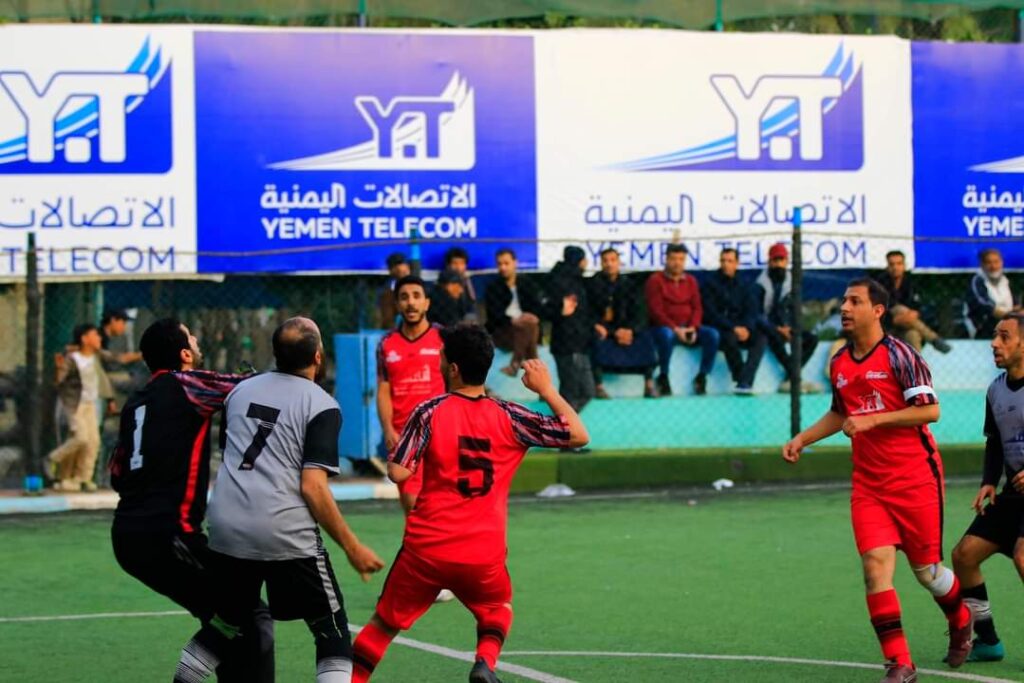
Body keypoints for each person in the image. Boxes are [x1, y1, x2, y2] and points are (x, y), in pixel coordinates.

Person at [350, 324, 588, 683]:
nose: (438, 360)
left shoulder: (428, 411)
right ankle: (484, 663)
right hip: (482, 551)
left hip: (426, 549)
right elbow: (579, 435)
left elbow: (398, 472)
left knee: (383, 625)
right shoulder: (510, 415)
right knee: (497, 608)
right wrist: (547, 390)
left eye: (442, 356)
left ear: (453, 368)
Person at [782, 278, 973, 682]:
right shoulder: (839, 361)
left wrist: (873, 420)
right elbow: (841, 412)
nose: (845, 308)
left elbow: (930, 411)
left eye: (855, 301)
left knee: (927, 573)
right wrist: (803, 438)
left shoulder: (901, 355)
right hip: (869, 485)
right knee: (874, 568)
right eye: (844, 301)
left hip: (916, 478)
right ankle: (900, 664)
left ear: (878, 310)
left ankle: (960, 618)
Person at [175, 317, 385, 683]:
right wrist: (353, 547)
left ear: (275, 354)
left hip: (227, 526)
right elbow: (313, 487)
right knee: (331, 630)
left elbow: (231, 453)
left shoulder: (239, 392)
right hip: (283, 530)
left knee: (225, 624)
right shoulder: (321, 404)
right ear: (318, 356)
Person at [109, 318, 274, 682]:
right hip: (168, 535)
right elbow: (250, 387)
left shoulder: (135, 402)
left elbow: (117, 474)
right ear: (184, 353)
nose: (198, 340)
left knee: (225, 617)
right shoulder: (187, 384)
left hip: (126, 535)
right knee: (248, 613)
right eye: (191, 336)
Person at [950, 314, 1024, 663]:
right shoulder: (995, 389)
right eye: (995, 335)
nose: (994, 343)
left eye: (1004, 336)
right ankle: (988, 640)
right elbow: (994, 442)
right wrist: (988, 482)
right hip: (1013, 495)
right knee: (964, 556)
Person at [376, 276, 445, 515]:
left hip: (440, 432)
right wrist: (387, 429)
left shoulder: (443, 338)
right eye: (404, 297)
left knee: (443, 504)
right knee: (413, 506)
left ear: (427, 303)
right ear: (397, 304)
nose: (411, 303)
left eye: (417, 296)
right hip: (404, 436)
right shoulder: (386, 344)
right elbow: (383, 389)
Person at [47, 324, 115, 491]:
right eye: (95, 335)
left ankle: (83, 478)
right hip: (74, 405)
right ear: (84, 339)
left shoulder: (96, 355)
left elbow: (117, 358)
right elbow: (58, 381)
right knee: (80, 438)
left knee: (93, 442)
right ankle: (53, 459)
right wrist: (58, 368)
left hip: (90, 404)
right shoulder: (73, 358)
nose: (99, 338)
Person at [645, 243, 719, 396]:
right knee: (666, 335)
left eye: (681, 259)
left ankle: (702, 377)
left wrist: (693, 327)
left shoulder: (691, 281)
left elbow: (697, 308)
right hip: (665, 327)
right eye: (673, 259)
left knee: (712, 335)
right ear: (666, 259)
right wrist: (675, 329)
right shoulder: (655, 280)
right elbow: (656, 311)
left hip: (688, 327)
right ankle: (663, 376)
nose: (677, 263)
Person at [587, 248, 657, 398]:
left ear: (619, 262)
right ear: (601, 263)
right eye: (605, 261)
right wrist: (611, 331)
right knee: (595, 338)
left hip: (628, 330)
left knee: (646, 337)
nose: (609, 264)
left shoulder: (630, 284)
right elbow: (588, 312)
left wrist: (631, 330)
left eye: (613, 260)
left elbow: (640, 312)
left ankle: (649, 384)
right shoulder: (592, 284)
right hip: (605, 329)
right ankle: (598, 386)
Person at [755, 243, 821, 393]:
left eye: (781, 260)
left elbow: (795, 310)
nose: (778, 264)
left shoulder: (792, 283)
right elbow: (756, 315)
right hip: (768, 327)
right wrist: (777, 328)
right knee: (773, 338)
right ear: (769, 262)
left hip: (788, 326)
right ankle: (796, 379)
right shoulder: (760, 284)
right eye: (775, 260)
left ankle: (789, 378)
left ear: (786, 261)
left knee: (812, 339)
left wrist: (790, 327)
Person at [702, 248, 767, 395]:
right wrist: (733, 327)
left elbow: (751, 310)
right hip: (723, 328)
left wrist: (747, 328)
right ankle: (742, 379)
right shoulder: (710, 284)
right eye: (723, 261)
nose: (726, 264)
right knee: (729, 338)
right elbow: (711, 313)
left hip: (742, 328)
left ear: (737, 263)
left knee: (761, 338)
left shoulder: (744, 284)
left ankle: (745, 381)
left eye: (730, 261)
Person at [545, 245, 596, 413]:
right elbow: (550, 309)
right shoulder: (565, 283)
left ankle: (564, 422)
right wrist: (561, 309)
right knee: (574, 392)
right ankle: (563, 423)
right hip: (570, 343)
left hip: (575, 343)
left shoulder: (570, 280)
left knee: (578, 392)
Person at [876, 251, 951, 354]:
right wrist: (893, 320)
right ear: (887, 267)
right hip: (886, 327)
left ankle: (915, 364)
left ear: (904, 266)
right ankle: (934, 339)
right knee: (899, 309)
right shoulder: (879, 285)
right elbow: (875, 310)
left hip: (909, 326)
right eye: (892, 264)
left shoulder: (911, 282)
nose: (895, 267)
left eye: (899, 264)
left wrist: (916, 313)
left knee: (913, 335)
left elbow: (920, 306)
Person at [484, 248, 543, 377]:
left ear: (515, 263)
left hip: (525, 328)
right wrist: (513, 320)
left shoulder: (527, 284)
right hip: (503, 331)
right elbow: (494, 316)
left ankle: (515, 364)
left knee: (529, 325)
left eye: (506, 263)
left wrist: (530, 317)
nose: (503, 267)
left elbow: (537, 308)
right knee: (530, 328)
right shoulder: (493, 287)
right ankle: (533, 366)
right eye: (499, 264)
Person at [967, 248, 1019, 340]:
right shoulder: (977, 281)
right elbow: (984, 305)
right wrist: (1010, 315)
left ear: (1002, 263)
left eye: (996, 262)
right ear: (982, 264)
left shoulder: (1007, 281)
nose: (993, 266)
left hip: (1009, 324)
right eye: (989, 262)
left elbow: (1017, 305)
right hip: (984, 327)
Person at [444, 246, 478, 322]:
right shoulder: (442, 283)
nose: (458, 267)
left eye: (462, 263)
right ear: (448, 265)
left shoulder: (468, 281)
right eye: (455, 263)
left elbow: (472, 303)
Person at [377, 253, 411, 329]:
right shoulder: (387, 291)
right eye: (396, 266)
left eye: (402, 264)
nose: (401, 268)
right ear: (390, 270)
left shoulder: (421, 286)